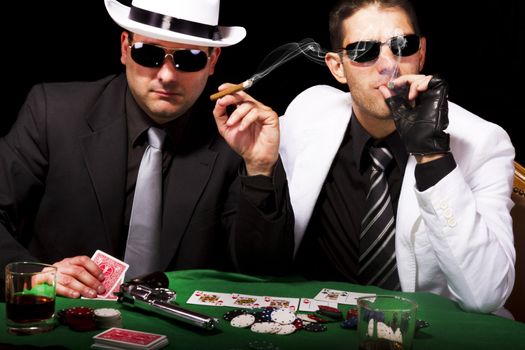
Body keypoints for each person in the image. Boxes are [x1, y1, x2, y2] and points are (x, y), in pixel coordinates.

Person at [0, 0, 294, 299]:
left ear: (213, 60)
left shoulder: (238, 141)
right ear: (125, 48)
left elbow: (262, 274)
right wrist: (37, 277)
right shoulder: (53, 113)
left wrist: (258, 169)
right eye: (149, 53)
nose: (167, 76)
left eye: (189, 58)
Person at [279, 0, 515, 314]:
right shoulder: (308, 112)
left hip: (428, 331)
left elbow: (486, 294)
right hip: (323, 321)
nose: (389, 65)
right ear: (337, 66)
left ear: (421, 53)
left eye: (403, 46)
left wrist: (434, 157)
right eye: (364, 51)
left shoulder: (483, 142)